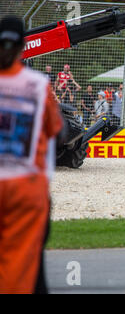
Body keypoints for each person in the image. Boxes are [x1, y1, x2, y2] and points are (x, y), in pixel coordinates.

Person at [0, 16, 62, 294]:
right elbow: (57, 132)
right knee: (27, 265)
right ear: (23, 46)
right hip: (27, 186)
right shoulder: (37, 85)